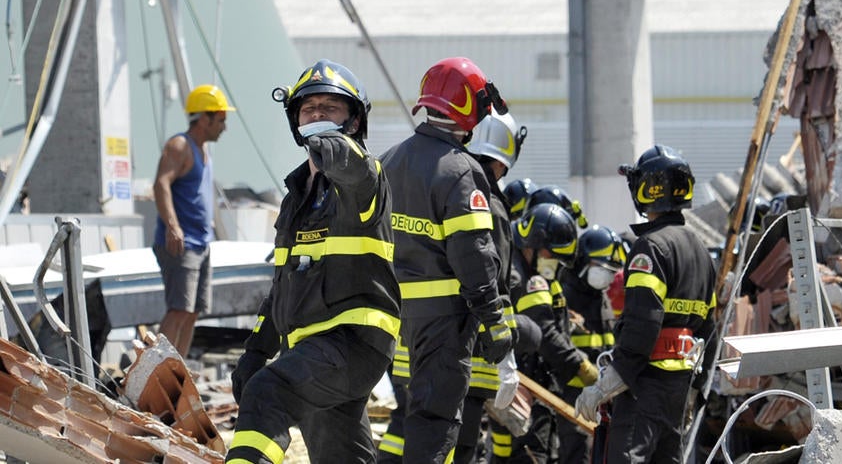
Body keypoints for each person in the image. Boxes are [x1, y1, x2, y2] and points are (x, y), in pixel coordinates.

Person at [225, 60, 401, 464]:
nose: (318, 115)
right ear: (295, 121)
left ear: (354, 121)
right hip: (312, 350)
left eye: (330, 108)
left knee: (268, 393)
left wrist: (338, 151)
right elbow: (282, 285)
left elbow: (355, 169)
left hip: (354, 342)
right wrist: (256, 349)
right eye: (309, 109)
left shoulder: (365, 178)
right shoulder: (296, 197)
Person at [380, 57, 515, 463]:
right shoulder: (461, 171)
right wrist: (495, 322)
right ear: (469, 110)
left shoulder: (388, 161)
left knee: (408, 421)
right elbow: (473, 255)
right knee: (436, 426)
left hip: (396, 320)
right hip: (444, 325)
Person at [575, 145, 718, 464]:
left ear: (647, 189)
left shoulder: (650, 248)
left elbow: (643, 326)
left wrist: (604, 387)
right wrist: (697, 389)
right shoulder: (701, 252)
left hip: (644, 383)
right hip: (680, 388)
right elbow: (710, 328)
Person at [493, 202, 598, 463]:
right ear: (535, 244)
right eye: (553, 256)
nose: (556, 265)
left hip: (526, 382)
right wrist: (580, 366)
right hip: (529, 382)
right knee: (531, 455)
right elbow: (544, 331)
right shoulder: (526, 279)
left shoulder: (523, 267)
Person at [151, 84, 234, 358]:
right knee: (178, 309)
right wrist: (173, 226)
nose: (224, 127)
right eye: (220, 120)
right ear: (204, 118)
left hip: (201, 244)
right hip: (182, 244)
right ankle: (153, 368)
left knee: (192, 311)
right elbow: (161, 183)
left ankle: (178, 369)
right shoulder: (180, 146)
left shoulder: (202, 150)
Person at [557, 225, 626, 463]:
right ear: (585, 260)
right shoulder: (564, 296)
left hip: (601, 396)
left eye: (613, 270)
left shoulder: (602, 298)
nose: (608, 276)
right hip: (570, 396)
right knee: (577, 455)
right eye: (604, 268)